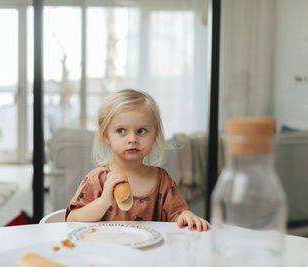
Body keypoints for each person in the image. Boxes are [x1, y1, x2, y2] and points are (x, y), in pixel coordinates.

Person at [66, 89, 210, 231]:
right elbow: (71, 219)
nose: (132, 139)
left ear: (155, 136)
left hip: (150, 253)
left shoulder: (162, 180)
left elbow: (177, 214)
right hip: (107, 252)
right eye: (121, 131)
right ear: (106, 136)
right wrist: (103, 202)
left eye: (141, 131)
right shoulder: (97, 180)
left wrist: (186, 216)